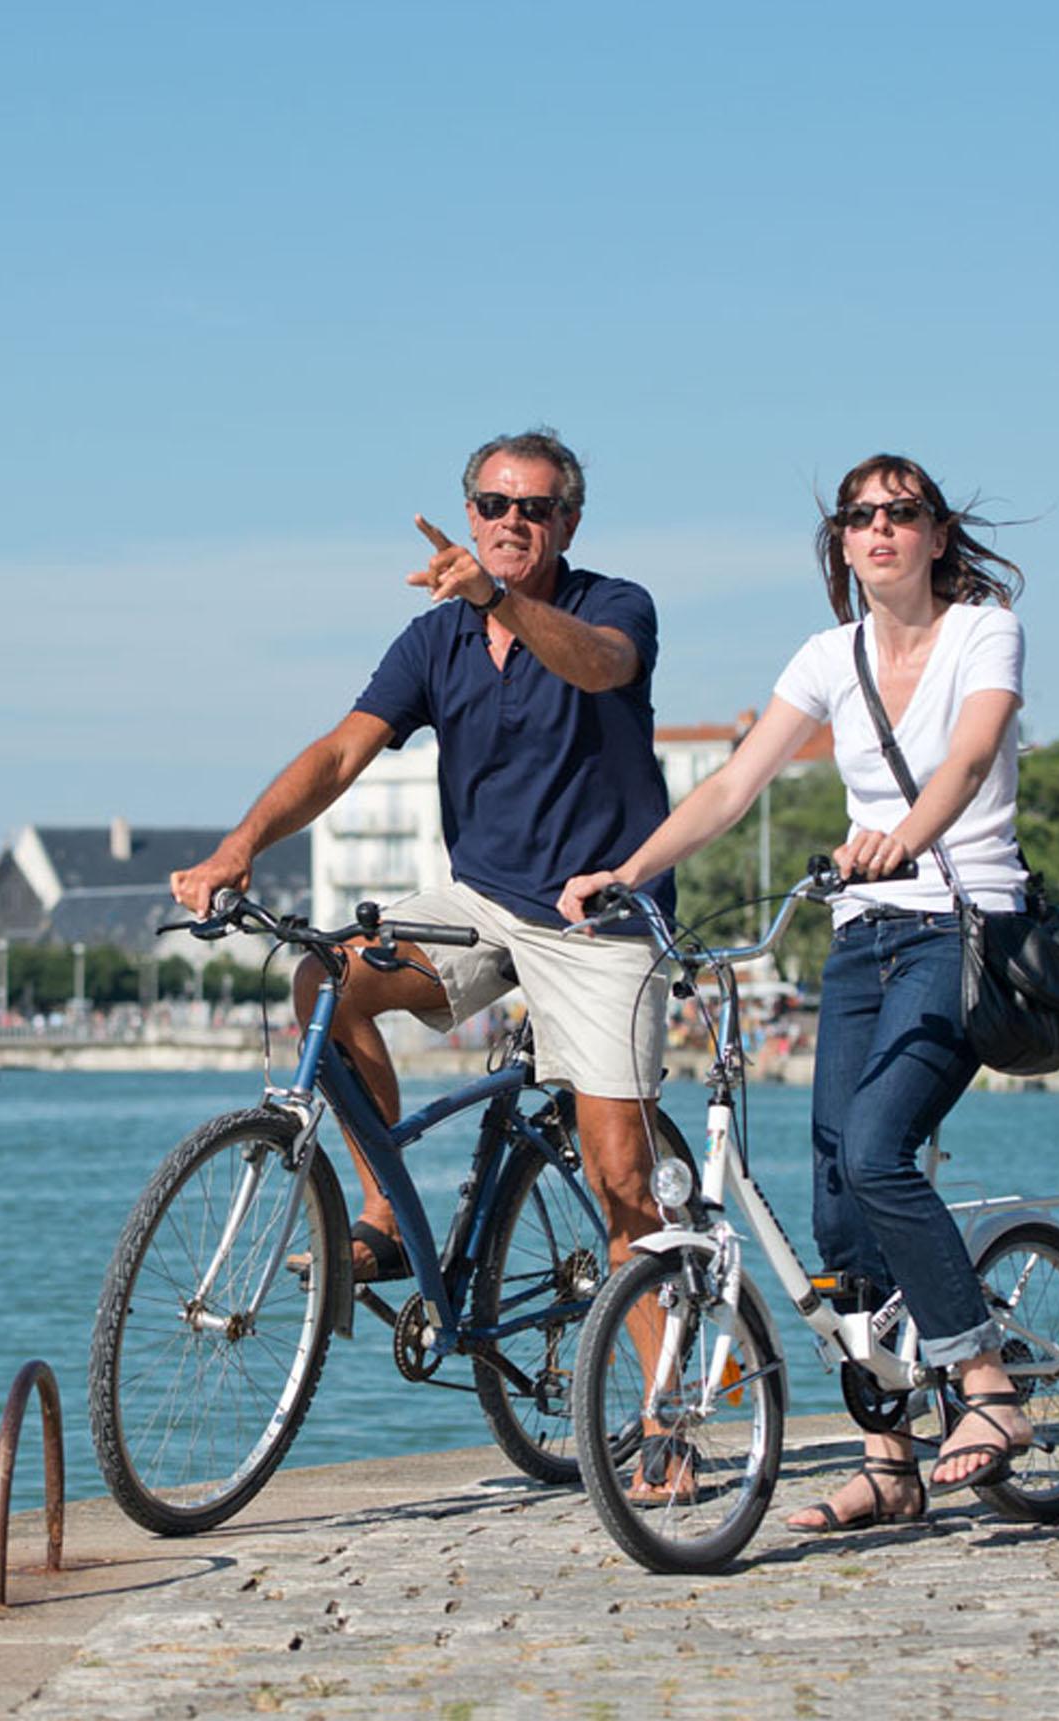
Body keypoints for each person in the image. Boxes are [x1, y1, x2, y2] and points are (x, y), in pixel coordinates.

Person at [558, 452, 1036, 1528]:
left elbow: (968, 758)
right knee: (832, 1191)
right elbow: (733, 782)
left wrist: (901, 839)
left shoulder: (983, 631)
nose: (880, 530)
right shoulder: (829, 655)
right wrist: (626, 872)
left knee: (876, 1150)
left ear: (936, 535)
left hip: (961, 927)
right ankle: (888, 1460)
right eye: (859, 517)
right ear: (842, 543)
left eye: (901, 513)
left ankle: (987, 1382)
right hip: (861, 939)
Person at [170, 428, 674, 1283]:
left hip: (601, 920)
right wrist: (238, 847)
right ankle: (387, 1218)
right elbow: (340, 753)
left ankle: (669, 1373)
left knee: (624, 1183)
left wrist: (498, 600)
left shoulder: (615, 605)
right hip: (482, 903)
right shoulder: (435, 640)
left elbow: (599, 668)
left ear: (569, 523)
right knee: (324, 980)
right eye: (494, 504)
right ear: (469, 517)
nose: (512, 521)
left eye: (535, 508)